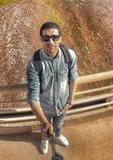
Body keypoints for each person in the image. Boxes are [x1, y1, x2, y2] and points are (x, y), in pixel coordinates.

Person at [26, 21, 78, 154]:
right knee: (45, 128)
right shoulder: (34, 63)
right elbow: (33, 97)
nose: (51, 42)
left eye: (55, 37)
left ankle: (58, 135)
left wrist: (70, 101)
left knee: (59, 125)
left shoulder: (69, 56)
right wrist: (45, 123)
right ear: (41, 40)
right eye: (46, 38)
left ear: (60, 38)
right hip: (44, 107)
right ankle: (45, 139)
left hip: (63, 104)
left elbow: (73, 77)